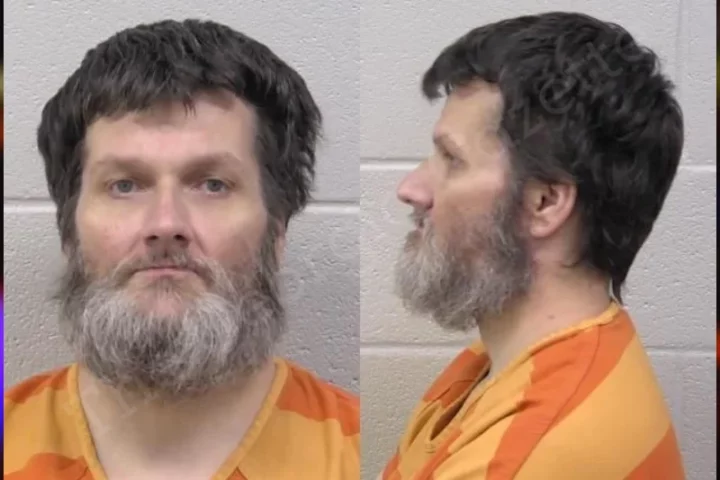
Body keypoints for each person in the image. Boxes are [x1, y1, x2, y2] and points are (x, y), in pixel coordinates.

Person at [4, 19, 359, 480]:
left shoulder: (356, 455)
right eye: (124, 185)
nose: (166, 224)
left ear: (277, 230)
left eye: (213, 184)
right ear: (68, 233)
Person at [381, 12, 686, 479]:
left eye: (451, 159)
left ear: (544, 203)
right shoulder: (505, 364)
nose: (412, 188)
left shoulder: (527, 455)